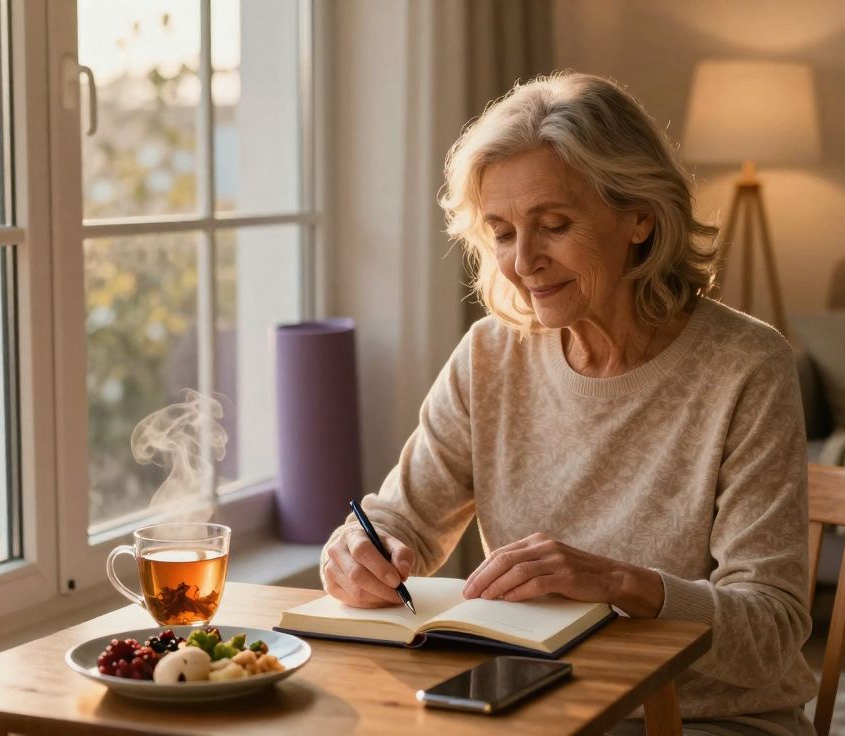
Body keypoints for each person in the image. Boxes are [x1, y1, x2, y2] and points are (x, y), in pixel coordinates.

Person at [320, 72, 817, 735]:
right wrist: (358, 551)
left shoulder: (747, 366)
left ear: (639, 216)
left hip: (711, 718)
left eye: (553, 225)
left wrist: (621, 583)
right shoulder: (489, 356)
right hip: (540, 708)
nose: (523, 262)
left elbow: (772, 632)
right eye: (500, 232)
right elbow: (401, 521)